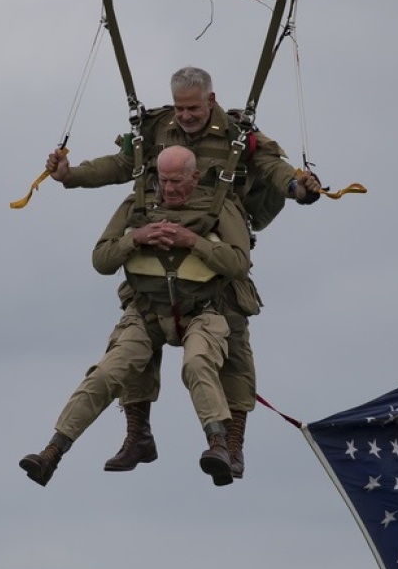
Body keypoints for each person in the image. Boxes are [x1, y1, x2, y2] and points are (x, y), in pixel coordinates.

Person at [43, 66, 321, 480]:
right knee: (130, 347)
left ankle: (230, 447)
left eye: (193, 107)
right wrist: (71, 176)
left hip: (216, 255)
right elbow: (122, 164)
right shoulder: (158, 130)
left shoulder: (237, 135)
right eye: (180, 107)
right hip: (157, 268)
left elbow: (272, 168)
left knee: (230, 358)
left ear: (210, 99)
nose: (186, 115)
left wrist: (299, 189)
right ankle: (136, 436)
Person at [20, 145, 252, 487]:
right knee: (106, 373)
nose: (170, 189)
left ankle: (219, 446)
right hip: (146, 311)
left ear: (195, 176)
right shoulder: (137, 205)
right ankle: (52, 452)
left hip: (203, 310)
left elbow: (238, 263)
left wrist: (193, 241)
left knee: (198, 362)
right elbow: (102, 260)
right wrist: (137, 238)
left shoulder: (220, 207)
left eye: (177, 181)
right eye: (163, 181)